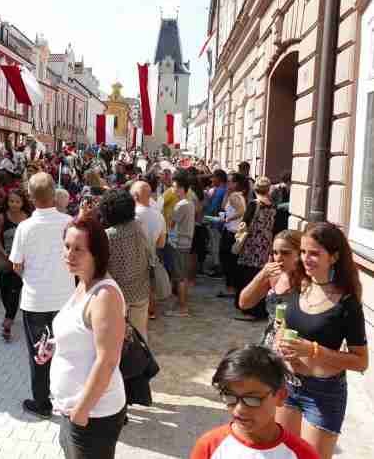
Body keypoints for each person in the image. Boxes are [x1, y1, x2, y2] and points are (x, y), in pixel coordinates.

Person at [276, 223, 368, 459]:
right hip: (288, 385)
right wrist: (280, 342)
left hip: (322, 393)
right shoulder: (299, 286)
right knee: (281, 455)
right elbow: (284, 327)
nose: (306, 258)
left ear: (334, 257)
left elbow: (360, 362)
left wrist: (313, 350)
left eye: (315, 253)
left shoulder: (347, 302)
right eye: (304, 252)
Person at [37, 214, 126, 459]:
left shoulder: (104, 295)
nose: (70, 254)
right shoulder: (83, 281)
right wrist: (55, 345)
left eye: (79, 249)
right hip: (74, 410)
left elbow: (108, 360)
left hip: (93, 416)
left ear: (96, 253)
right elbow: (82, 334)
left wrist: (81, 412)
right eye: (67, 246)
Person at [9, 172, 74, 419]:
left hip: (36, 299)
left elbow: (16, 264)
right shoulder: (68, 222)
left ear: (30, 197)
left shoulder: (24, 228)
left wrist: (31, 277)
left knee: (39, 353)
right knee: (66, 350)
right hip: (65, 299)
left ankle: (42, 403)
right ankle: (66, 398)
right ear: (53, 194)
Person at [191, 345, 319, 459]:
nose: (239, 409)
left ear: (280, 396)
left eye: (252, 399)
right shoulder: (209, 446)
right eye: (230, 397)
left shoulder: (303, 454)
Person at [99, 188, 150, 340]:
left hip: (116, 295)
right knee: (140, 335)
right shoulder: (138, 226)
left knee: (115, 339)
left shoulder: (108, 236)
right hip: (140, 290)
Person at [239, 230, 305, 348]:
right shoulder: (274, 276)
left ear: (299, 254)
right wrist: (262, 275)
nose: (278, 258)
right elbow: (244, 303)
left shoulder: (306, 281)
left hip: (294, 344)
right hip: (270, 342)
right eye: (275, 253)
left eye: (285, 253)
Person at [235, 177, 278, 321]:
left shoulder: (254, 204)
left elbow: (244, 224)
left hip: (252, 244)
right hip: (265, 244)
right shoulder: (273, 205)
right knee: (261, 275)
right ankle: (260, 309)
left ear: (255, 189)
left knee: (247, 275)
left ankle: (249, 308)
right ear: (268, 190)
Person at [0, 188, 31, 341]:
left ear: (23, 203)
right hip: (4, 260)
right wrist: (4, 253)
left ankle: (8, 320)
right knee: (4, 290)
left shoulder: (28, 218)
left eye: (17, 201)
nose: (14, 204)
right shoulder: (1, 218)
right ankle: (9, 313)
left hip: (21, 263)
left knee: (15, 289)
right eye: (11, 201)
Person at [131, 180, 167, 320]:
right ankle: (150, 312)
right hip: (151, 259)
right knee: (150, 287)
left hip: (133, 260)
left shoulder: (131, 216)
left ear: (135, 196)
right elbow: (161, 244)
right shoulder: (159, 216)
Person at [165, 170, 195, 318]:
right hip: (185, 243)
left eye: (175, 186)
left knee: (180, 277)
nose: (173, 189)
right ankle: (181, 304)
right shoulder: (189, 203)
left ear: (182, 188)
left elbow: (171, 224)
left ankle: (183, 308)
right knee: (182, 276)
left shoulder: (181, 205)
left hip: (180, 244)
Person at [218, 172, 248, 299]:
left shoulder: (235, 196)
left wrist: (228, 219)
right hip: (232, 232)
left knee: (228, 261)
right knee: (229, 261)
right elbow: (223, 207)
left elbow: (242, 211)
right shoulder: (233, 195)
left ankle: (231, 288)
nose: (227, 183)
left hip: (232, 233)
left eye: (230, 181)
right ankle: (231, 287)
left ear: (236, 183)